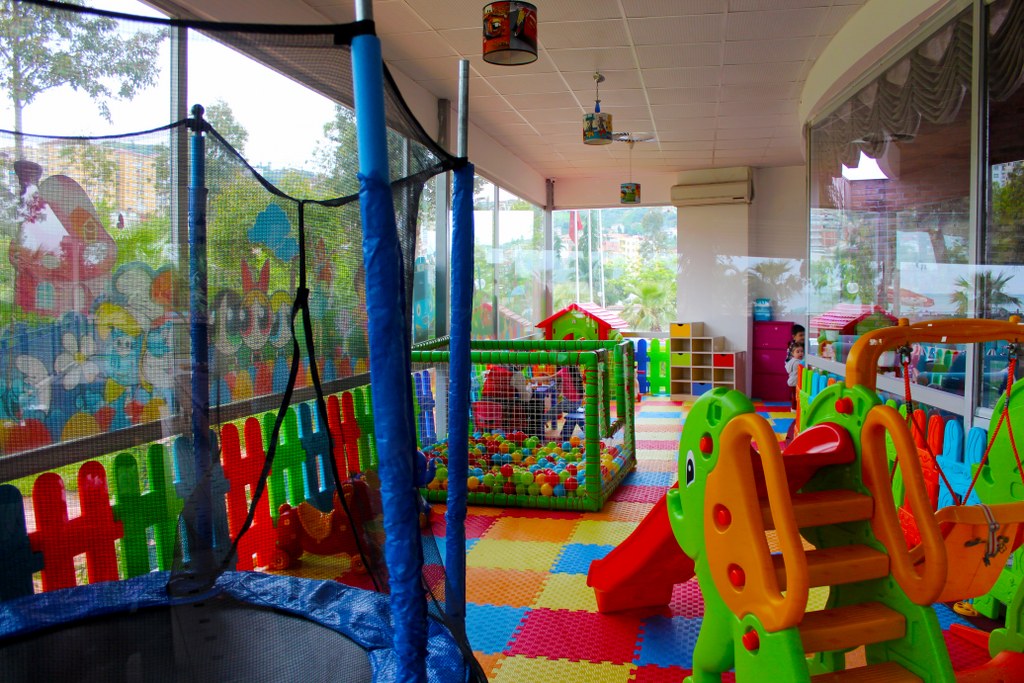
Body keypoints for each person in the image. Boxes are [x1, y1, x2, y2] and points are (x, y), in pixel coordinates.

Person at [786, 342, 804, 410]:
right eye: (798, 352)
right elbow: (801, 370)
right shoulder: (797, 362)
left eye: (802, 351)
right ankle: (794, 408)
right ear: (793, 353)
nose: (800, 353)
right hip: (795, 382)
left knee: (794, 395)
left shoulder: (791, 361)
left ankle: (794, 407)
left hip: (793, 381)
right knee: (796, 396)